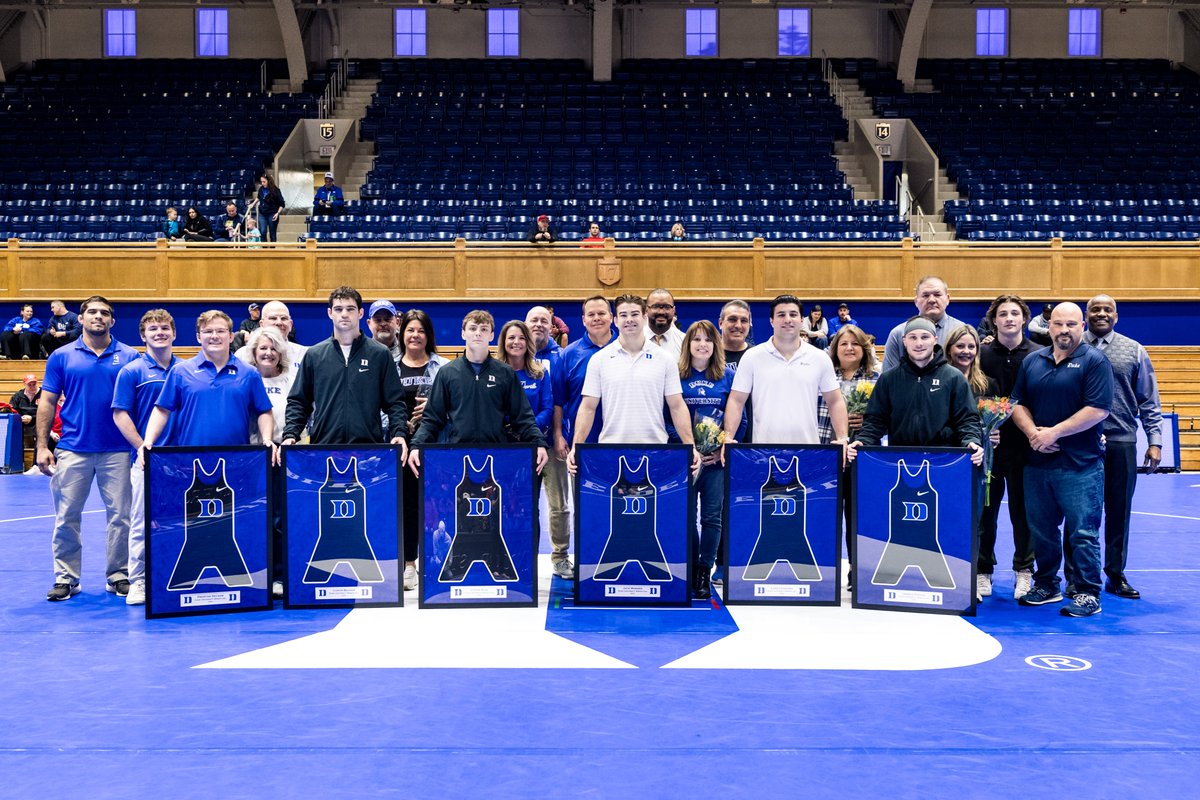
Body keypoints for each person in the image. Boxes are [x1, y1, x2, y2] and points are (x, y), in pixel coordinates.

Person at [1011, 303, 1114, 618]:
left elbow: (1098, 409)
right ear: (1049, 327)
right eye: (1058, 324)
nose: (1064, 330)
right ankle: (1046, 584)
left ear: (1081, 326)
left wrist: (1053, 433)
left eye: (1071, 324)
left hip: (1080, 466)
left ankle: (1087, 592)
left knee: (1082, 532)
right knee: (1041, 529)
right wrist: (1033, 434)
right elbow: (1016, 403)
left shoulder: (1095, 361)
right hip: (1037, 464)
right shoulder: (1033, 361)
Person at [37, 296, 140, 602]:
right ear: (79, 318)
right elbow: (47, 402)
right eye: (92, 312)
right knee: (67, 516)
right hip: (73, 448)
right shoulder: (62, 356)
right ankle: (66, 577)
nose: (98, 317)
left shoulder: (131, 356)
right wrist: (42, 446)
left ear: (113, 321)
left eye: (105, 313)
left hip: (119, 450)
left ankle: (119, 575)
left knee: (121, 516)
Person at [566, 293, 701, 478]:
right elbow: (588, 408)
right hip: (611, 451)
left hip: (655, 450)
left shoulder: (665, 359)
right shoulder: (599, 360)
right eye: (623, 315)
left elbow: (677, 406)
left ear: (645, 317)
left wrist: (690, 446)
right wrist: (576, 447)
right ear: (615, 320)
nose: (629, 320)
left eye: (635, 314)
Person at [1083, 294, 1162, 600]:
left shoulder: (1134, 350)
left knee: (1119, 513)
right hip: (1080, 444)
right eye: (1095, 309)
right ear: (1086, 315)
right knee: (1080, 514)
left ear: (1116, 317)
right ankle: (1078, 575)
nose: (1101, 314)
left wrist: (1154, 440)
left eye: (1107, 310)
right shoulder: (1074, 346)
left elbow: (1149, 400)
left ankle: (1115, 574)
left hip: (1121, 442)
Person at [408, 310, 548, 477]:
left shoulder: (505, 373)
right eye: (473, 328)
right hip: (457, 460)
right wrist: (416, 445)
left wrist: (539, 443)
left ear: (491, 335)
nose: (478, 333)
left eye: (483, 329)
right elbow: (432, 419)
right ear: (463, 333)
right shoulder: (447, 373)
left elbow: (523, 418)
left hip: (496, 458)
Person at [282, 286, 408, 449]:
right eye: (338, 309)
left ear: (360, 313)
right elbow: (299, 401)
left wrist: (399, 433)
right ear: (330, 313)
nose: (344, 314)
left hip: (369, 449)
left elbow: (395, 402)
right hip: (324, 447)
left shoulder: (380, 354)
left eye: (350, 309)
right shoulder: (314, 355)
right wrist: (291, 434)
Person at [141, 310, 275, 459]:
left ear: (231, 336)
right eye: (208, 331)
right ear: (198, 337)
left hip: (237, 460)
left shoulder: (249, 373)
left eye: (221, 331)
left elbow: (264, 411)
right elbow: (162, 410)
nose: (214, 336)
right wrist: (148, 441)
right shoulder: (180, 372)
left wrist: (267, 440)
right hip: (191, 461)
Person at [111, 309, 178, 606]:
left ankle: (175, 574)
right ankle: (139, 580)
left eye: (165, 328)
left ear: (175, 333)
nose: (159, 333)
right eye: (153, 329)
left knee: (180, 522)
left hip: (180, 462)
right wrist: (142, 447)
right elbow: (120, 414)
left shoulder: (186, 370)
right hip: (145, 460)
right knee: (140, 521)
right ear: (143, 336)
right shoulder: (132, 371)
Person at [722, 294, 849, 448]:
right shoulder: (752, 357)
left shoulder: (820, 358)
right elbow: (736, 401)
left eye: (793, 314)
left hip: (808, 451)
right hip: (763, 453)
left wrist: (843, 438)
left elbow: (835, 401)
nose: (787, 319)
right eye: (781, 315)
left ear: (802, 320)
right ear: (771, 321)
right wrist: (728, 438)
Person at [848, 317, 983, 461]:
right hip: (900, 460)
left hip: (944, 461)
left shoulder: (953, 377)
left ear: (935, 340)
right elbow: (875, 420)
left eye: (925, 337)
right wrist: (863, 441)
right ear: (904, 341)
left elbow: (967, 419)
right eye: (913, 337)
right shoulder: (889, 379)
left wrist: (971, 441)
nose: (919, 343)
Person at [672, 320, 740, 599]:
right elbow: (668, 416)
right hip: (685, 460)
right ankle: (689, 568)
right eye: (696, 339)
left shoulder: (727, 376)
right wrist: (687, 447)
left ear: (716, 345)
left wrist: (722, 446)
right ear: (687, 345)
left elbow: (738, 416)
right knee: (686, 516)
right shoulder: (675, 375)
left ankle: (704, 570)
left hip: (715, 461)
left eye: (708, 340)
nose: (702, 344)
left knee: (713, 517)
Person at [978, 295, 1038, 601]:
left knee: (1023, 513)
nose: (1010, 318)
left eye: (1015, 313)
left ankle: (1024, 571)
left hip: (1026, 449)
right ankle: (983, 571)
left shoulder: (1039, 355)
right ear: (994, 320)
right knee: (985, 513)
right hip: (991, 450)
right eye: (1003, 314)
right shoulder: (981, 355)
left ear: (1024, 319)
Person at [395, 308, 448, 589]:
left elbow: (455, 406)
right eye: (410, 330)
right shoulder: (389, 365)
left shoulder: (444, 367)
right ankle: (409, 565)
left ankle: (438, 560)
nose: (415, 335)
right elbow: (380, 405)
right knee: (407, 507)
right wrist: (398, 423)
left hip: (435, 445)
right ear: (402, 334)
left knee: (437, 507)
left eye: (421, 331)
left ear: (429, 336)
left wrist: (435, 408)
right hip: (401, 447)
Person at [822, 324, 880, 580]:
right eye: (844, 343)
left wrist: (866, 420)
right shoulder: (823, 376)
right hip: (827, 456)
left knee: (857, 516)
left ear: (864, 348)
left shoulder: (877, 378)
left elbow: (885, 417)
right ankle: (824, 567)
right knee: (825, 514)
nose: (849, 348)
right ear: (835, 348)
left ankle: (857, 569)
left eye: (855, 343)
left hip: (862, 458)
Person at [526, 305, 573, 579]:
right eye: (534, 320)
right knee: (522, 505)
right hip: (520, 446)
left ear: (552, 326)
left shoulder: (561, 357)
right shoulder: (513, 356)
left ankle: (560, 556)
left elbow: (562, 401)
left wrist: (559, 434)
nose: (539, 324)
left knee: (559, 505)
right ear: (525, 323)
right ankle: (524, 556)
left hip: (554, 443)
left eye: (544, 320)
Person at [553, 296, 614, 472]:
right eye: (591, 314)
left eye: (601, 313)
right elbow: (558, 401)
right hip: (582, 442)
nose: (596, 318)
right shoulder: (569, 354)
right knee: (584, 498)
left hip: (619, 440)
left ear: (611, 317)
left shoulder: (625, 349)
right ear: (583, 320)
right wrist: (558, 435)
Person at [881, 276, 967, 372]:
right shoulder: (898, 333)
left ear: (947, 299)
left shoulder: (961, 331)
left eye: (937, 295)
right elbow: (889, 377)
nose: (931, 300)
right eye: (925, 295)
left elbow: (970, 372)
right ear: (916, 301)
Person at [247, 326, 295, 445]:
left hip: (286, 450)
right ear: (254, 352)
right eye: (263, 348)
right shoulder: (245, 382)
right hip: (253, 451)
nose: (268, 353)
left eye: (274, 349)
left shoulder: (293, 382)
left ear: (280, 354)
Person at [234, 300, 306, 367]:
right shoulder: (242, 355)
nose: (279, 322)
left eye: (283, 318)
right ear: (262, 324)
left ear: (290, 324)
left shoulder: (304, 355)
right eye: (273, 318)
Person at [645, 288, 685, 359]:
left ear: (673, 310)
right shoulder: (633, 341)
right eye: (655, 306)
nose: (661, 312)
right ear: (646, 310)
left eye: (667, 307)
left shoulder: (684, 341)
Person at [9, 373, 41, 461]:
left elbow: (47, 412)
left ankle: (36, 463)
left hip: (38, 421)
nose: (32, 386)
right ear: (24, 384)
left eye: (34, 384)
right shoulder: (18, 396)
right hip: (21, 421)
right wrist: (20, 418)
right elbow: (12, 410)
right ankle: (18, 462)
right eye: (29, 384)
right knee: (14, 431)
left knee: (41, 430)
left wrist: (32, 418)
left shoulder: (43, 394)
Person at [366, 299, 402, 366]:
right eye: (378, 320)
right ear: (369, 324)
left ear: (397, 322)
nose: (383, 324)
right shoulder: (361, 353)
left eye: (387, 319)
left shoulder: (408, 351)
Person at [257, 174, 285, 242]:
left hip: (272, 213)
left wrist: (277, 213)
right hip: (262, 213)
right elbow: (258, 197)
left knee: (272, 234)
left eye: (264, 182)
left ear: (268, 181)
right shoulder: (261, 189)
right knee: (263, 232)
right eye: (261, 182)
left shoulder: (276, 190)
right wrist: (253, 204)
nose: (262, 183)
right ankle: (265, 249)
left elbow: (282, 204)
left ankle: (273, 250)